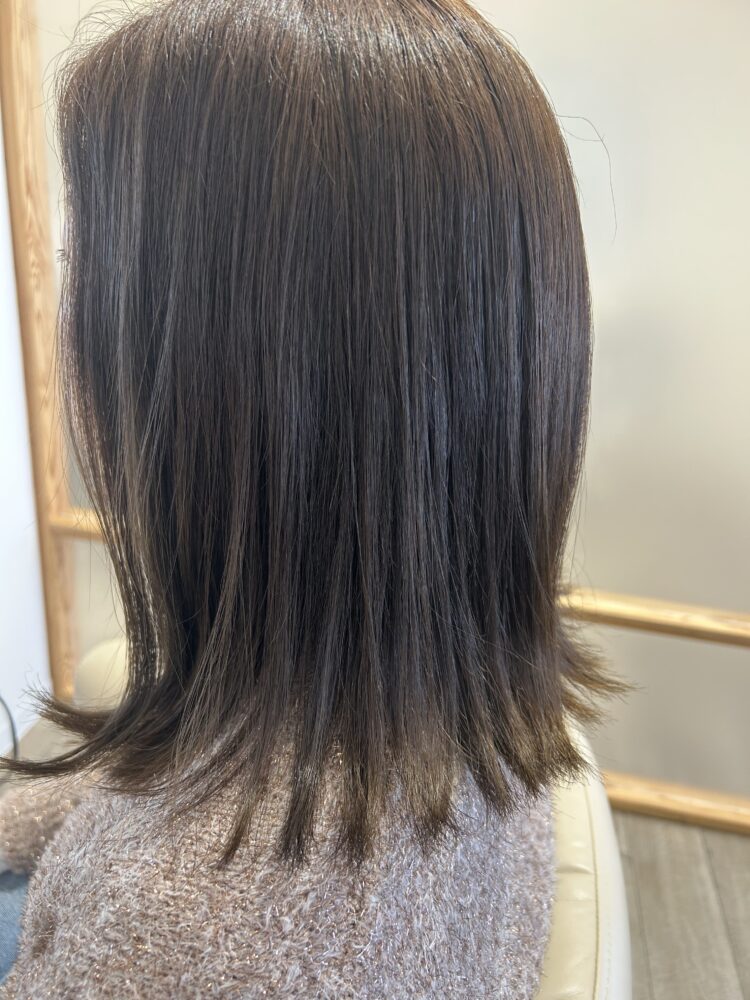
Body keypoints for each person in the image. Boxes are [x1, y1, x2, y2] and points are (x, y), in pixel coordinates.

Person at [0, 0, 621, 995]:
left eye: (78, 271)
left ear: (213, 379)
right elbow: (177, 755)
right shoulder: (446, 675)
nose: (62, 326)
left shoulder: (188, 946)